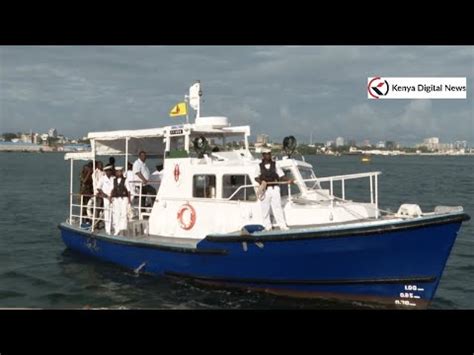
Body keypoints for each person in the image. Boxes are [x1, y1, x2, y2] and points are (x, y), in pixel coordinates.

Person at [254, 148, 294, 231]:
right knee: (265, 208)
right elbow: (256, 177)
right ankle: (267, 226)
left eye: (269, 153)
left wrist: (288, 180)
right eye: (266, 154)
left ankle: (282, 226)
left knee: (277, 207)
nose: (268, 155)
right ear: (263, 155)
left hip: (274, 188)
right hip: (265, 190)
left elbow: (281, 176)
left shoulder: (276, 165)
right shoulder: (258, 166)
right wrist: (262, 182)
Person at [110, 166, 131, 236]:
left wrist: (129, 200)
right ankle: (117, 229)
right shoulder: (113, 180)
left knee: (124, 213)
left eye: (120, 171)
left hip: (123, 198)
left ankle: (123, 229)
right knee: (116, 214)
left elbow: (129, 191)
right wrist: (110, 198)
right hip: (116, 199)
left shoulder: (125, 180)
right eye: (117, 171)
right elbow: (112, 190)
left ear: (122, 172)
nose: (119, 173)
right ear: (116, 172)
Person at [97, 165, 115, 234]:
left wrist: (112, 195)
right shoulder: (102, 179)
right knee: (107, 213)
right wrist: (106, 195)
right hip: (106, 198)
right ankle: (108, 230)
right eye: (107, 171)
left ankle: (114, 228)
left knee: (114, 213)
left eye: (110, 171)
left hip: (113, 198)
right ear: (105, 171)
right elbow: (98, 188)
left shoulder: (114, 178)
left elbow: (115, 187)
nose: (109, 172)